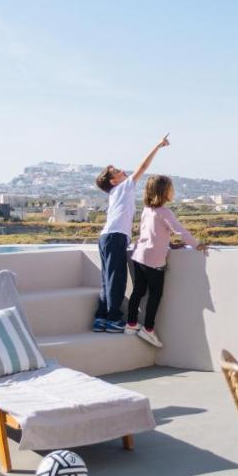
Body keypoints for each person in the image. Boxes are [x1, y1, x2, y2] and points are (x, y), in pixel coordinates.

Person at [92, 134, 170, 333]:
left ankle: (101, 318)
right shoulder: (123, 188)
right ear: (113, 180)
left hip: (106, 237)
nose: (123, 171)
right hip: (115, 237)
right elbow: (143, 168)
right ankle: (114, 319)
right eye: (117, 171)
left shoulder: (114, 193)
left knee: (106, 278)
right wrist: (158, 146)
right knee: (117, 278)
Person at [127, 174, 207, 347]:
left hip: (139, 255)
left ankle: (131, 324)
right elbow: (180, 231)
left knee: (139, 291)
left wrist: (168, 244)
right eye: (171, 188)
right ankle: (148, 329)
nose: (173, 191)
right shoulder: (165, 212)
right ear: (164, 192)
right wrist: (197, 244)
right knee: (155, 294)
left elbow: (151, 234)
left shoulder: (147, 211)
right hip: (154, 261)